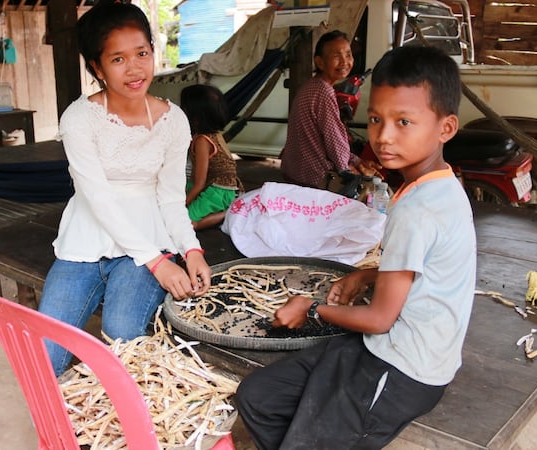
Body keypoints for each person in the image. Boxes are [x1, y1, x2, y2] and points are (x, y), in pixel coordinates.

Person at [236, 45, 477, 449]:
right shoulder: (435, 185)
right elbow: (420, 271)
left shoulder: (417, 210)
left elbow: (381, 318)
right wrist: (366, 275)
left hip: (404, 367)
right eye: (377, 119)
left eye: (404, 122)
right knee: (257, 398)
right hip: (382, 344)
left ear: (445, 128)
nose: (383, 136)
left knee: (299, 433)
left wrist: (310, 309)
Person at [37, 0, 212, 377]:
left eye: (142, 53)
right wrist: (159, 264)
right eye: (117, 59)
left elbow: (169, 198)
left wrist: (191, 249)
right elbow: (96, 198)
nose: (134, 69)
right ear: (97, 68)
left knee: (124, 340)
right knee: (45, 355)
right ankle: (63, 429)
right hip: (84, 244)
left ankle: (127, 425)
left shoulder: (173, 120)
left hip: (148, 242)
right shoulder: (80, 118)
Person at [280, 30, 380, 188]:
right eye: (336, 56)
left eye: (348, 54)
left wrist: (357, 161)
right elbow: (333, 138)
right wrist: (346, 171)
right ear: (320, 62)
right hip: (313, 177)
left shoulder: (313, 85)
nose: (344, 61)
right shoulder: (323, 91)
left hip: (295, 171)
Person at [180, 84, 243, 230]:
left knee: (185, 224)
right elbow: (194, 179)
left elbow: (199, 184)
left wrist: (182, 204)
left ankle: (229, 212)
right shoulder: (213, 133)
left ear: (194, 116)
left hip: (219, 191)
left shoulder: (203, 141)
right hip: (214, 185)